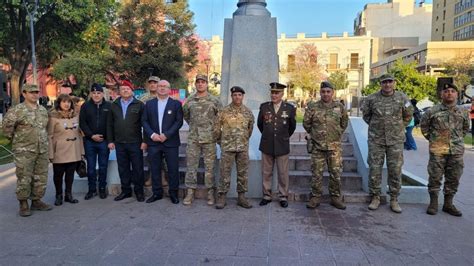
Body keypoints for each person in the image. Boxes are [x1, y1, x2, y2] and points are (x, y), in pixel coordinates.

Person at [361, 73, 413, 213]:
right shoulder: (371, 98)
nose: (387, 84)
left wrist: (398, 127)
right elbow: (366, 116)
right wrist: (377, 126)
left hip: (395, 140)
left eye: (390, 82)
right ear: (380, 84)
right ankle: (375, 197)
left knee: (395, 170)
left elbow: (408, 115)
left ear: (394, 82)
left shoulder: (402, 97)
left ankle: (394, 199)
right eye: (384, 82)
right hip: (376, 139)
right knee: (374, 169)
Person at [2, 84, 52, 216]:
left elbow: (45, 128)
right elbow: (7, 129)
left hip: (42, 149)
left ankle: (36, 200)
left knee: (41, 177)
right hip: (24, 150)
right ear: (24, 94)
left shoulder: (42, 110)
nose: (35, 94)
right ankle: (23, 203)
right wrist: (18, 141)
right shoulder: (17, 110)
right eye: (31, 92)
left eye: (36, 92)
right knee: (24, 177)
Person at [420, 83, 469, 216]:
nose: (449, 93)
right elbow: (424, 126)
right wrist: (434, 139)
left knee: (454, 177)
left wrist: (456, 140)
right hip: (438, 149)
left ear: (456, 94)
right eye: (446, 91)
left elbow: (465, 128)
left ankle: (448, 204)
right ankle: (434, 203)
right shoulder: (432, 111)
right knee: (435, 176)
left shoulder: (463, 111)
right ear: (442, 94)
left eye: (452, 91)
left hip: (456, 150)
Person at [303, 81, 348, 210]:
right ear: (320, 92)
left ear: (332, 92)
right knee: (317, 173)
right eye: (323, 92)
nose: (326, 94)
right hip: (318, 147)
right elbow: (307, 123)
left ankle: (335, 197)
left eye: (328, 91)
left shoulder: (340, 107)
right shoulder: (313, 107)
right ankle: (315, 197)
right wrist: (315, 135)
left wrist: (336, 133)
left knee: (335, 173)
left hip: (334, 148)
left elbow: (344, 123)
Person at [182, 74, 222, 206]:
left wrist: (213, 131)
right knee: (191, 166)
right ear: (195, 84)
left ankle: (210, 192)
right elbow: (186, 116)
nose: (200, 84)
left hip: (209, 139)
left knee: (210, 168)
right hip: (193, 138)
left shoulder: (215, 101)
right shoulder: (189, 100)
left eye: (203, 82)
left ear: (206, 84)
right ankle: (190, 192)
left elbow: (220, 118)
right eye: (198, 82)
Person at [142, 79, 183, 204]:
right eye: (160, 86)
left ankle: (173, 193)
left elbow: (178, 122)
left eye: (165, 86)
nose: (162, 88)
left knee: (172, 169)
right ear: (156, 88)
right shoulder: (149, 104)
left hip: (170, 142)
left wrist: (167, 134)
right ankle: (157, 193)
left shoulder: (176, 104)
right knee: (155, 168)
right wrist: (153, 135)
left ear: (169, 89)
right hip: (154, 142)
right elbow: (144, 121)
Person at [214, 86, 254, 209]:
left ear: (243, 96)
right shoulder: (224, 111)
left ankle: (241, 197)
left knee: (243, 173)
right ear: (231, 96)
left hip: (242, 148)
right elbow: (216, 129)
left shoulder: (248, 112)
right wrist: (222, 142)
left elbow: (250, 130)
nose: (237, 97)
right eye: (235, 95)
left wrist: (243, 141)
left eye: (239, 95)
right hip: (227, 148)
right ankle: (222, 197)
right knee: (224, 173)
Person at [257, 82, 296, 208]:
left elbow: (292, 127)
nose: (274, 95)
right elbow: (260, 125)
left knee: (283, 173)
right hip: (267, 144)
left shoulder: (289, 108)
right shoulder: (264, 107)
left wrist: (283, 137)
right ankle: (266, 195)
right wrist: (268, 135)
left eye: (276, 93)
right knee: (266, 172)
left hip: (282, 144)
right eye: (272, 92)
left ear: (282, 94)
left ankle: (283, 196)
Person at [107, 80, 147, 202]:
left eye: (127, 89)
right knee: (123, 168)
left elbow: (145, 124)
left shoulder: (139, 105)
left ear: (132, 91)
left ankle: (139, 192)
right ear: (119, 91)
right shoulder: (113, 105)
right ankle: (126, 191)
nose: (125, 90)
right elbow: (109, 124)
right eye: (123, 89)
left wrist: (145, 141)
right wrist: (110, 140)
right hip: (119, 143)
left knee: (137, 168)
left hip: (135, 142)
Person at [47, 94, 84, 206]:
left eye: (68, 102)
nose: (66, 104)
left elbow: (80, 134)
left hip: (73, 150)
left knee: (70, 175)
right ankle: (59, 195)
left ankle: (69, 195)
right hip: (59, 151)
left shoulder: (76, 116)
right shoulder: (53, 117)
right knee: (58, 175)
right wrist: (50, 153)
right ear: (59, 103)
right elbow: (49, 136)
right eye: (64, 102)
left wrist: (82, 152)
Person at [80, 84, 111, 200]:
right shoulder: (85, 106)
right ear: (91, 94)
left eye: (98, 93)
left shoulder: (109, 106)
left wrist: (109, 139)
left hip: (104, 141)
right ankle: (91, 189)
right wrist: (91, 135)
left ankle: (102, 188)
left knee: (103, 166)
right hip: (90, 141)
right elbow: (83, 123)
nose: (96, 95)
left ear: (102, 94)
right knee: (91, 168)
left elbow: (111, 124)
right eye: (94, 93)